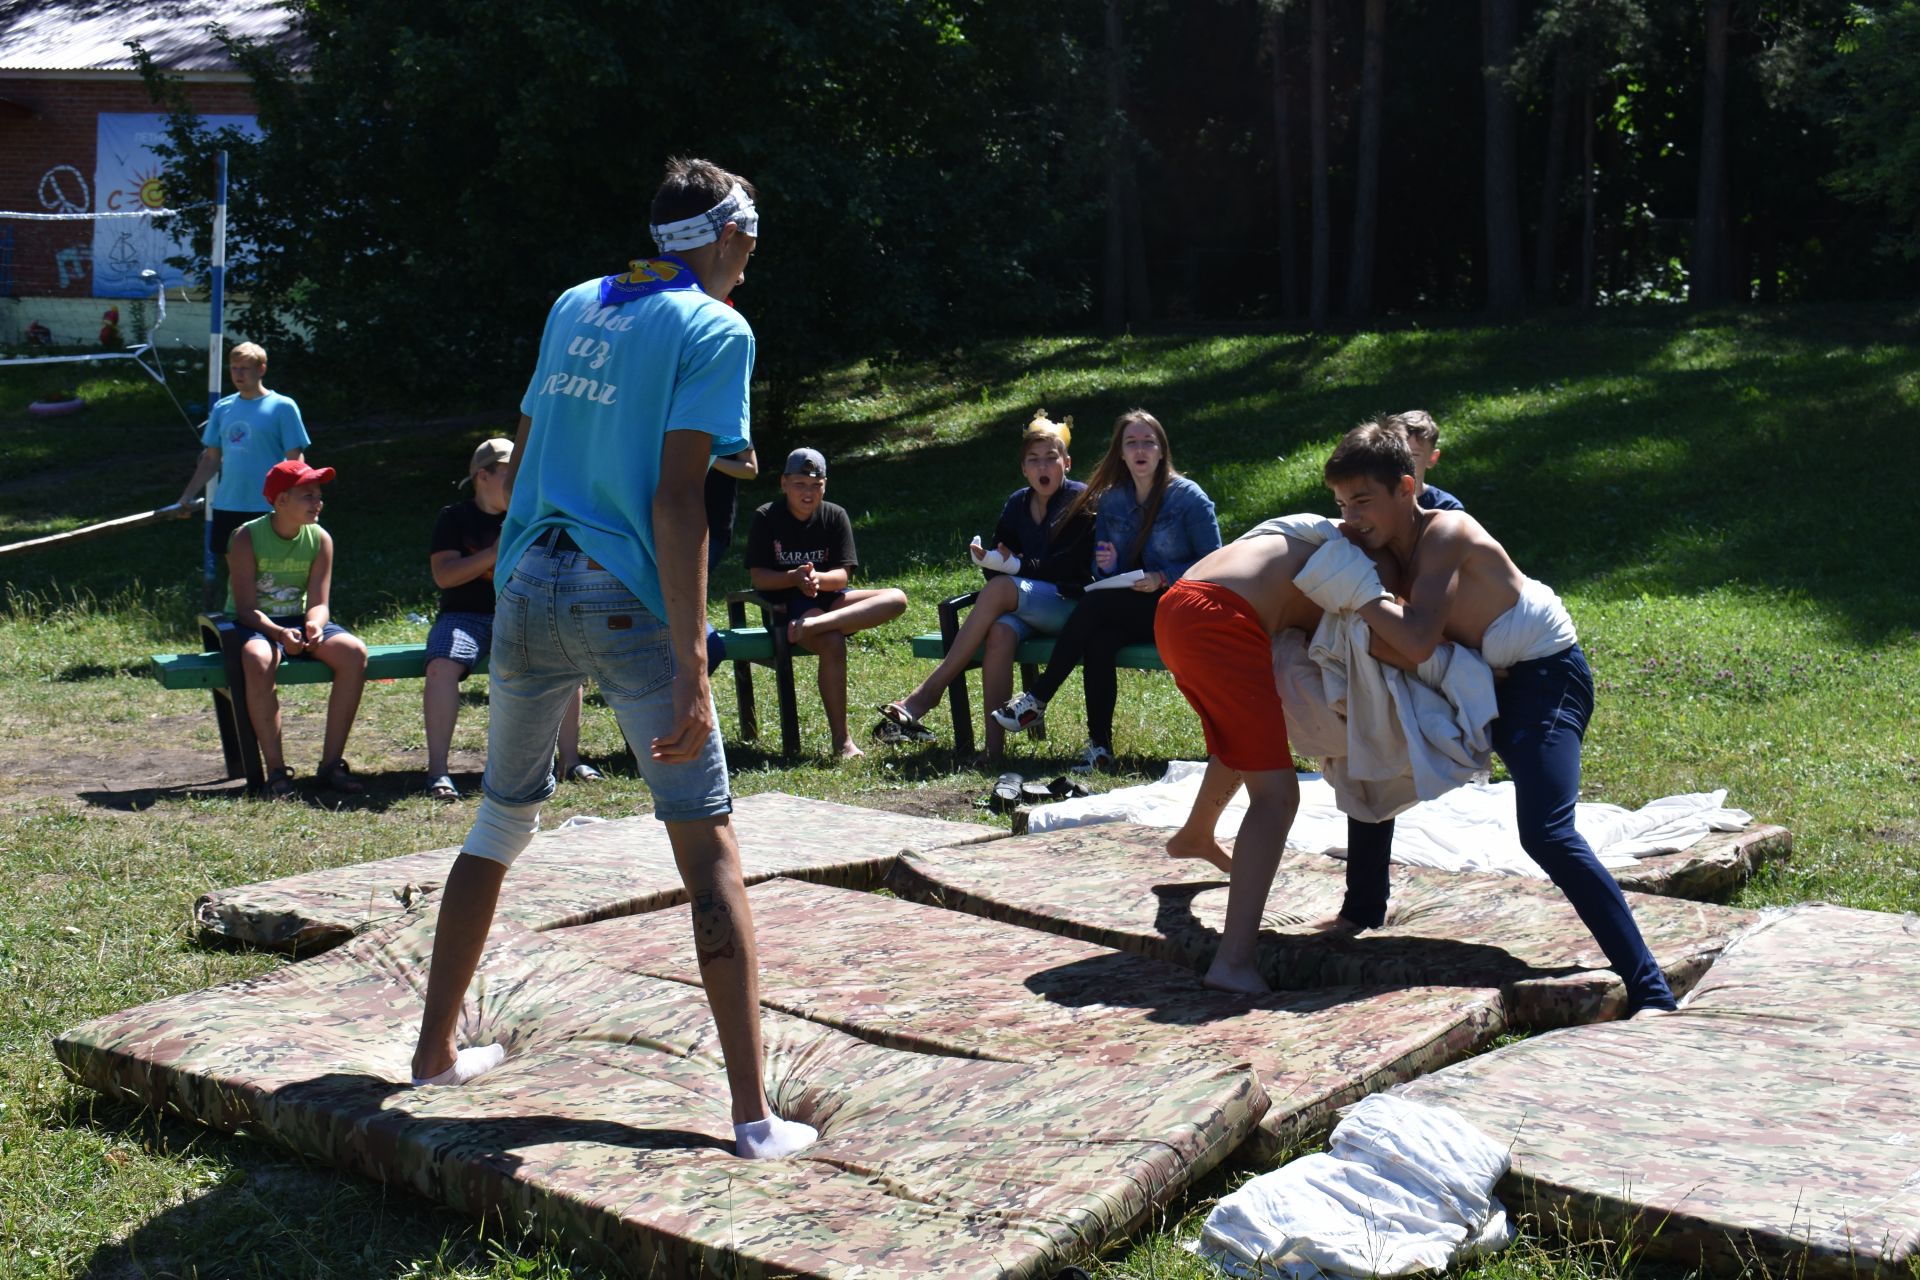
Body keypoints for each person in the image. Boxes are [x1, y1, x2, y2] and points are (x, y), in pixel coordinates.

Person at [407, 157, 817, 1160]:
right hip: (625, 594)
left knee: (501, 816)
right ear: (726, 236)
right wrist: (689, 657)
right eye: (750, 244)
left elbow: (540, 433)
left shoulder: (577, 302)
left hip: (528, 583)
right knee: (707, 848)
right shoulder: (718, 328)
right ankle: (755, 1117)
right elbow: (677, 503)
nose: (752, 266)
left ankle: (430, 1054)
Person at [1304, 417, 1677, 1016]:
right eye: (1342, 503)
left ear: (1408, 487)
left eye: (1363, 502)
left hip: (1542, 681)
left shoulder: (1448, 531)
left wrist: (1365, 598)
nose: (1351, 517)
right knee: (1372, 753)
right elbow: (1389, 641)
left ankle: (1650, 987)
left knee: (1547, 833)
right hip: (1476, 676)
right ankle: (1362, 908)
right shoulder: (1378, 544)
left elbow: (1416, 640)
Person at [990, 409, 1222, 773]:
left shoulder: (1189, 498)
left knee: (1096, 606)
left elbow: (1215, 565)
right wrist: (1108, 565)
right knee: (1099, 640)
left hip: (1184, 606)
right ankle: (1099, 749)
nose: (1140, 449)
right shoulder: (1113, 499)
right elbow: (1105, 572)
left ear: (1162, 450)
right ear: (1121, 453)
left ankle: (1038, 697)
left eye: (1148, 442)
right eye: (1131, 443)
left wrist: (1163, 577)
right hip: (1135, 607)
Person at [1155, 527, 1329, 993]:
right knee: (1276, 797)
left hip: (1177, 606)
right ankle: (1233, 963)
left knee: (1245, 745)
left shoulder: (1307, 529)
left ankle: (1195, 835)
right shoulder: (1361, 563)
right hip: (1220, 617)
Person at [874, 412, 1093, 763]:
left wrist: (1012, 568)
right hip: (1026, 606)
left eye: (1051, 458)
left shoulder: (1080, 498)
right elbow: (999, 566)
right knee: (1000, 635)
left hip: (1071, 606)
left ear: (1066, 462)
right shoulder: (1017, 502)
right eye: (1034, 460)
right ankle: (994, 752)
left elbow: (1066, 567)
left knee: (1003, 590)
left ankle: (927, 694)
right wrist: (989, 560)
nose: (1043, 467)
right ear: (1023, 468)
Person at [421, 436, 599, 801]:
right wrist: (493, 553)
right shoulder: (453, 518)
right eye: (509, 471)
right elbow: (445, 576)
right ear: (482, 476)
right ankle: (438, 771)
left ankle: (571, 760)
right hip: (465, 615)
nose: (521, 478)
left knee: (565, 657)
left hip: (524, 610)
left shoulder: (533, 516)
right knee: (441, 666)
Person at [744, 447, 908, 761]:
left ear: (825, 485)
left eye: (815, 485)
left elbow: (842, 575)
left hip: (830, 603)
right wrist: (794, 578)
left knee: (897, 598)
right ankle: (842, 742)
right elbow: (760, 578)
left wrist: (817, 579)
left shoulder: (834, 515)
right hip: (788, 606)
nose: (808, 492)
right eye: (799, 484)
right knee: (833, 643)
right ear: (784, 483)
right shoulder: (767, 517)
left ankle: (816, 625)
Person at [226, 459, 369, 797]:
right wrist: (278, 635)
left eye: (318, 495)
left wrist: (314, 627)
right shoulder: (246, 537)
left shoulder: (320, 538)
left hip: (298, 623)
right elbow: (246, 608)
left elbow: (319, 603)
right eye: (307, 495)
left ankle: (331, 764)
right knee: (258, 659)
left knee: (354, 654)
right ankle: (276, 771)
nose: (317, 502)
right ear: (280, 501)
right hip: (256, 623)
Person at [176, 342, 312, 596]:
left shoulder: (283, 406)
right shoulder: (223, 408)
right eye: (234, 368)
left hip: (269, 506)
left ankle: (276, 625)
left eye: (245, 369)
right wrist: (187, 496)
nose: (238, 374)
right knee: (238, 577)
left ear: (262, 369)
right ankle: (241, 625)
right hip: (228, 504)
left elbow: (296, 459)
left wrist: (297, 501)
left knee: (272, 576)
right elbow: (211, 458)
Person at [1393, 409, 1464, 512]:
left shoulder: (1446, 508)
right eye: (1397, 452)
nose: (1402, 460)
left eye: (1414, 455)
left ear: (1432, 458)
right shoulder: (1375, 502)